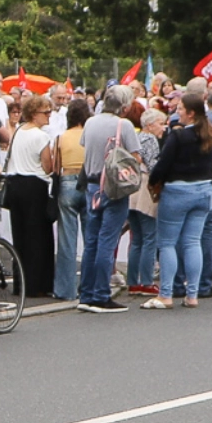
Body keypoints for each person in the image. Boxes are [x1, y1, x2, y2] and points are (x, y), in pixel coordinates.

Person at [143, 93, 212, 309]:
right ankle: (192, 295)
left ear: (191, 113)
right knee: (192, 242)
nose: (177, 112)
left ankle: (166, 294)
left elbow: (163, 164)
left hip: (177, 190)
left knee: (167, 243)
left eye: (180, 109)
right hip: (204, 190)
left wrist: (153, 181)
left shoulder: (178, 137)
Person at [76, 86, 140, 313]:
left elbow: (85, 147)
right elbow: (135, 158)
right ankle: (101, 294)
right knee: (107, 240)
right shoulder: (125, 125)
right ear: (124, 106)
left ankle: (86, 293)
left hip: (92, 185)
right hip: (113, 186)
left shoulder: (91, 122)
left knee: (91, 240)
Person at [1, 94, 58, 297]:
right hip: (34, 185)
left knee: (20, 235)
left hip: (15, 184)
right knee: (38, 237)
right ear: (34, 114)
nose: (49, 116)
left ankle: (21, 284)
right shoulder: (41, 136)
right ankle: (38, 285)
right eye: (46, 112)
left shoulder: (18, 132)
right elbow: (47, 165)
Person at [53, 98, 91, 302]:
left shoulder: (61, 137)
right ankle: (88, 287)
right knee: (90, 239)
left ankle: (65, 290)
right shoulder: (89, 135)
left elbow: (54, 166)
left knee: (67, 241)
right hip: (87, 182)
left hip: (67, 182)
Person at [125, 108, 165, 295]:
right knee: (150, 237)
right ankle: (147, 281)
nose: (163, 128)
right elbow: (153, 165)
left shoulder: (136, 137)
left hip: (131, 190)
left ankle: (133, 282)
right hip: (144, 189)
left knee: (136, 238)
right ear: (149, 125)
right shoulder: (150, 140)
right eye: (160, 123)